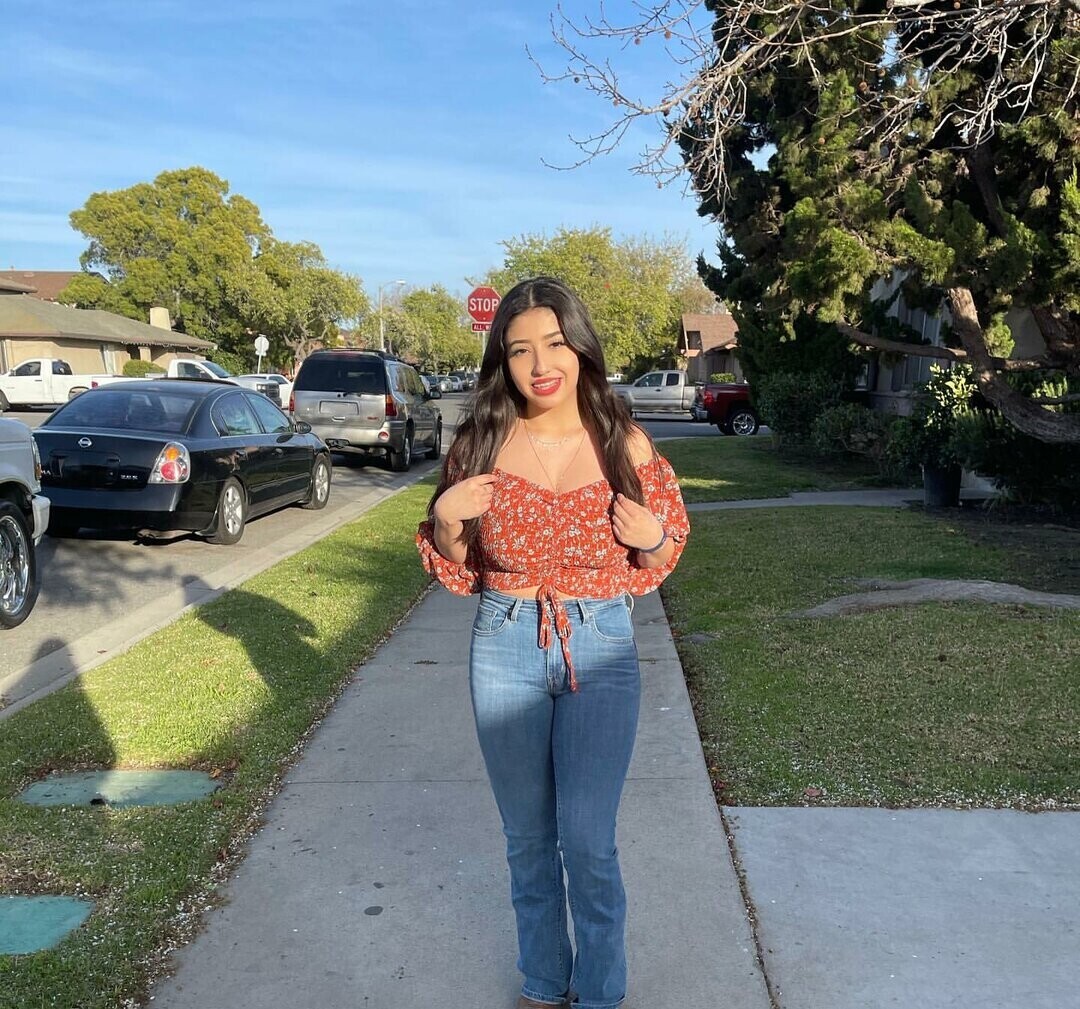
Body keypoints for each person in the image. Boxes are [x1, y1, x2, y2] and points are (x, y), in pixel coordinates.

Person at [415, 277, 689, 1009]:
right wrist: (446, 520)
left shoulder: (625, 441)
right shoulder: (479, 443)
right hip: (504, 641)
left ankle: (599, 991)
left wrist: (652, 536)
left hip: (601, 646)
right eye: (519, 350)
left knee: (588, 839)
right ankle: (543, 980)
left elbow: (662, 556)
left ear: (581, 348)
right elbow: (460, 567)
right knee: (528, 837)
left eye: (555, 343)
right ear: (502, 362)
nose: (540, 364)